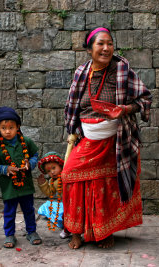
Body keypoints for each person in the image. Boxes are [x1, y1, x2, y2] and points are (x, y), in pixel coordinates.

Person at [62, 27, 152, 249]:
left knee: (107, 185)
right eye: (100, 44)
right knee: (69, 176)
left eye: (109, 43)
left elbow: (145, 99)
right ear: (89, 49)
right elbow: (72, 105)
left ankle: (104, 232)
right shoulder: (81, 73)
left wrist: (125, 109)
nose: (106, 48)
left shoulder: (123, 70)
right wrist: (71, 129)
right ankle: (76, 231)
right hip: (88, 140)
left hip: (116, 141)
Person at [0, 107, 42, 248]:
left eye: (11, 127)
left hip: (26, 184)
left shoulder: (26, 142)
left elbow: (35, 155)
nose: (7, 131)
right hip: (9, 187)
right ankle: (10, 235)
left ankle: (31, 232)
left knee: (29, 209)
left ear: (18, 127)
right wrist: (5, 169)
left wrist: (30, 164)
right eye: (3, 128)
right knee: (9, 211)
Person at [37, 152, 71, 239]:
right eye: (48, 171)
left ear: (60, 165)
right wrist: (43, 184)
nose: (52, 172)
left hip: (74, 198)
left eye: (54, 168)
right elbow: (50, 192)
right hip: (66, 202)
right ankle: (67, 230)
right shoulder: (52, 180)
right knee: (66, 215)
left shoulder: (66, 173)